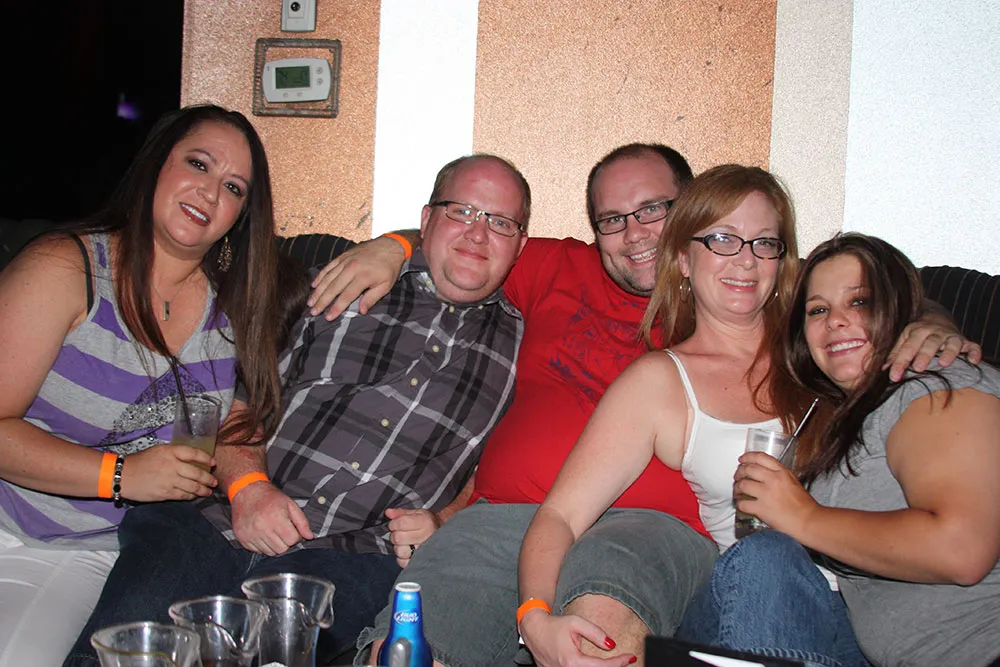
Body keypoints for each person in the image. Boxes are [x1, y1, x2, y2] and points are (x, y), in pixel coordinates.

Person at [307, 145, 979, 666]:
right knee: (424, 633)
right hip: (509, 519)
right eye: (613, 219)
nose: (634, 234)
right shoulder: (557, 269)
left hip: (663, 533)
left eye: (654, 209)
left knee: (624, 594)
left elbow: (871, 296)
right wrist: (393, 245)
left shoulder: (775, 296)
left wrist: (930, 323)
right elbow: (470, 236)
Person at [63, 153, 530, 666]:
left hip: (352, 559)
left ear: (521, 244)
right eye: (461, 211)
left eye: (500, 222)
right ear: (426, 219)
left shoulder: (527, 345)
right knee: (118, 656)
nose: (477, 233)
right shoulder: (336, 279)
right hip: (214, 521)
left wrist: (443, 519)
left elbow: (497, 469)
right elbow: (240, 395)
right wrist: (248, 488)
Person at [0, 104, 294, 667]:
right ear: (157, 162)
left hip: (84, 552)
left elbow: (235, 421)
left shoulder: (236, 313)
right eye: (198, 164)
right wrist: (121, 475)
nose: (209, 192)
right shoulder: (67, 269)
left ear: (240, 215)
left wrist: (397, 246)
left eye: (233, 187)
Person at [516, 164, 799, 667]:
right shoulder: (660, 381)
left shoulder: (823, 346)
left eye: (764, 243)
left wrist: (929, 325)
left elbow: (882, 300)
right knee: (765, 557)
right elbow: (560, 515)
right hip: (754, 604)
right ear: (683, 258)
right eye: (723, 239)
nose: (746, 259)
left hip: (862, 597)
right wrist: (534, 617)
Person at [677, 233, 1000, 667]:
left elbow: (961, 550)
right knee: (752, 568)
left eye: (859, 302)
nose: (836, 321)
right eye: (818, 310)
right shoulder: (848, 410)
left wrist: (803, 516)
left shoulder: (936, 387)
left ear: (902, 313)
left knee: (763, 557)